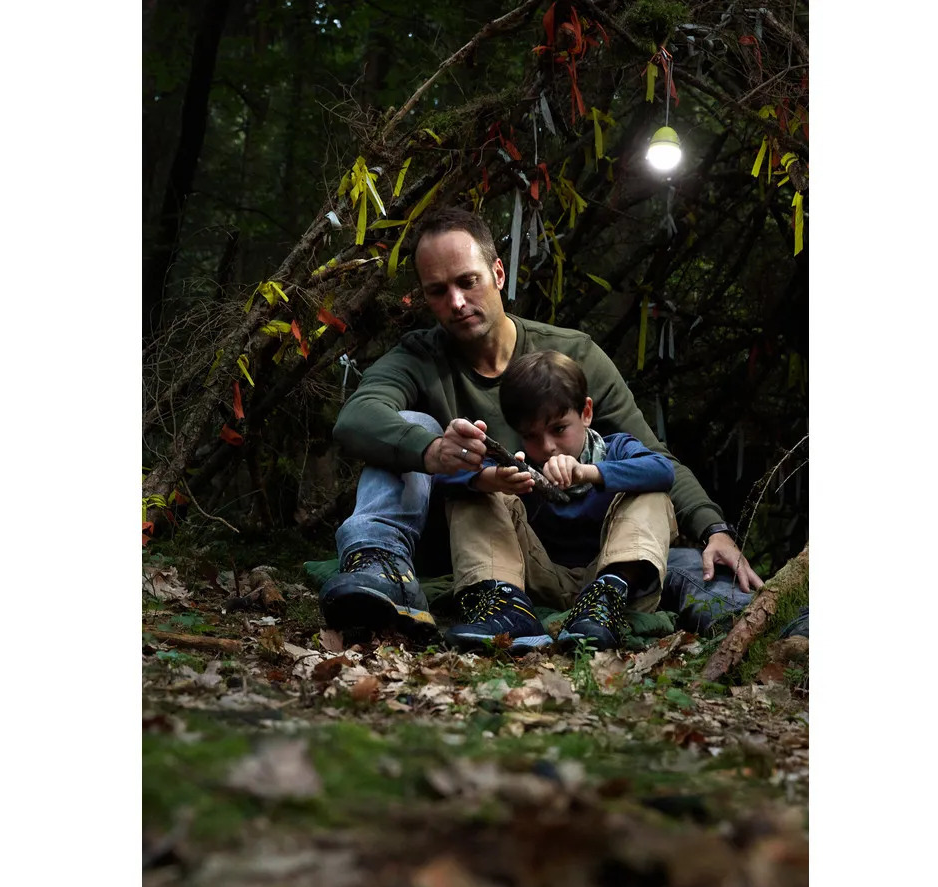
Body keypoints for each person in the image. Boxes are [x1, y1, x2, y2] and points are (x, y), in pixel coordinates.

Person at [319, 207, 762, 640]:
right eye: (437, 291)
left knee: (697, 571)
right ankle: (379, 565)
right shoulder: (418, 357)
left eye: (468, 281)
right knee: (407, 426)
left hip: (599, 550)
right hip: (494, 547)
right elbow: (357, 418)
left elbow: (656, 461)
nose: (456, 302)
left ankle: (749, 623)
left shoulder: (573, 356)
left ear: (498, 273)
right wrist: (432, 451)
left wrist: (714, 529)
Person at [438, 350, 677, 653]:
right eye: (531, 436)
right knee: (474, 491)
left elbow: (663, 471)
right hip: (537, 580)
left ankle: (605, 602)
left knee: (651, 492)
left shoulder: (616, 449)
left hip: (608, 578)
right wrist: (493, 480)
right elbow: (443, 478)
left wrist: (588, 473)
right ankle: (506, 608)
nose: (548, 446)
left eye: (559, 429)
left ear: (586, 413)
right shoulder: (520, 465)